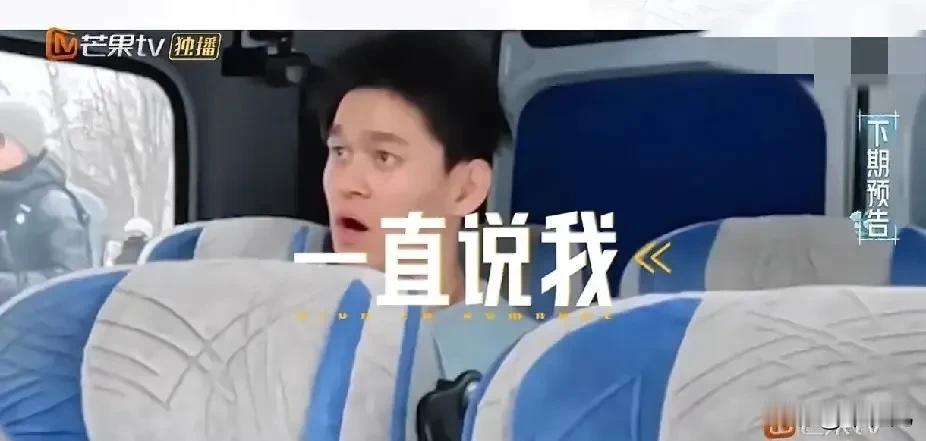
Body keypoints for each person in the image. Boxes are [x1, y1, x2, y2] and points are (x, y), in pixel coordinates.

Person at [315, 32, 535, 379]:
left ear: (466, 189)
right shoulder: (291, 331)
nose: (346, 184)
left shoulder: (517, 366)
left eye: (384, 157)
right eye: (339, 151)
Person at [0, 98, 92, 303]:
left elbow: (71, 281)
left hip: (34, 320)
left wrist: (5, 286)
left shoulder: (52, 203)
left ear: (26, 145)